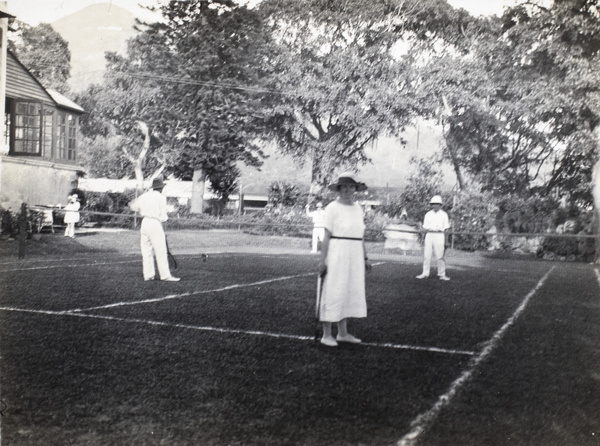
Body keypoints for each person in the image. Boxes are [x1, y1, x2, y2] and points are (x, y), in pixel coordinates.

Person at [318, 172, 372, 347]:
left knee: (349, 290)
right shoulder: (331, 208)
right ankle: (327, 334)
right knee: (333, 290)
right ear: (339, 189)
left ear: (355, 189)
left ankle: (342, 333)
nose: (347, 190)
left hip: (355, 254)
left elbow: (360, 236)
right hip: (337, 252)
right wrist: (322, 260)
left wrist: (365, 258)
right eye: (344, 187)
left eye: (351, 186)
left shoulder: (358, 208)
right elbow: (326, 236)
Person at [129, 177, 180, 282]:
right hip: (155, 223)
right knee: (161, 251)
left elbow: (132, 206)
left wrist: (143, 209)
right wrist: (163, 230)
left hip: (144, 223)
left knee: (146, 250)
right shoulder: (161, 198)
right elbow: (163, 217)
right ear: (161, 188)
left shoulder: (144, 196)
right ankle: (165, 275)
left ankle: (148, 275)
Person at [416, 195, 451, 281]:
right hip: (429, 235)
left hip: (439, 235)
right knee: (427, 255)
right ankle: (425, 273)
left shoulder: (444, 215)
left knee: (440, 255)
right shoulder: (428, 214)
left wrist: (446, 241)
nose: (434, 205)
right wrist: (421, 234)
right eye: (433, 204)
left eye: (436, 204)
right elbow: (425, 227)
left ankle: (442, 274)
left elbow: (446, 228)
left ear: (440, 205)